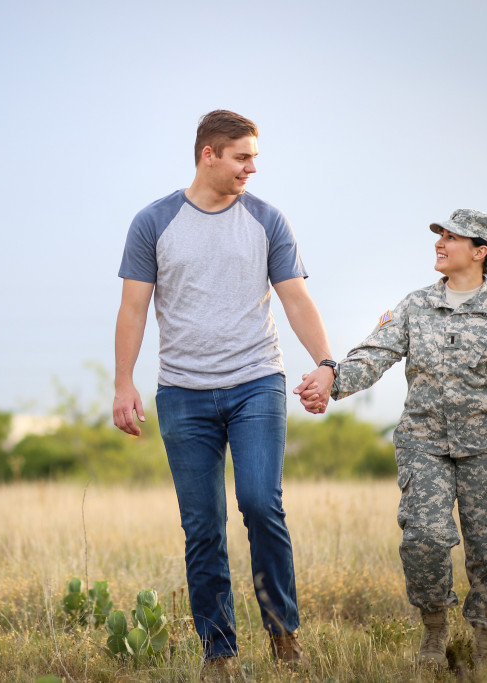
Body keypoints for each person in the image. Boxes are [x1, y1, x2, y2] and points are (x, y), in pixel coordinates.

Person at [112, 110, 336, 671]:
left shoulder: (267, 220)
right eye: (242, 157)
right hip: (183, 394)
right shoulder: (153, 222)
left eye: (254, 157)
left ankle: (284, 633)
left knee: (261, 504)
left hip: (257, 383)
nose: (251, 168)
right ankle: (220, 652)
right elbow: (133, 307)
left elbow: (296, 299)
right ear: (208, 154)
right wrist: (123, 382)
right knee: (202, 525)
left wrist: (326, 364)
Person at [296, 209, 487, 670]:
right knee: (424, 540)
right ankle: (435, 633)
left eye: (452, 238)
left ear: (480, 252)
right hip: (424, 444)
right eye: (440, 235)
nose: (440, 243)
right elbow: (374, 355)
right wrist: (330, 380)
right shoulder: (415, 306)